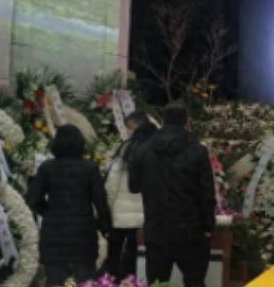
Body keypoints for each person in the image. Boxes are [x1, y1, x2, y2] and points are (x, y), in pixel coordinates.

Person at [129, 103, 216, 287]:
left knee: (158, 283)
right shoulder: (198, 151)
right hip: (191, 230)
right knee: (195, 282)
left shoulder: (141, 150)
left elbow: (134, 187)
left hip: (156, 229)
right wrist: (208, 225)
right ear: (187, 122)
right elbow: (207, 193)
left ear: (162, 122)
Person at [27, 124, 111, 287]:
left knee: (55, 280)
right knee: (85, 279)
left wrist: (48, 212)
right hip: (83, 231)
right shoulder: (89, 168)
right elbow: (100, 201)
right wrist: (103, 225)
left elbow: (33, 199)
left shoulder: (46, 168)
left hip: (54, 232)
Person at [105, 111, 158, 281]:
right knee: (135, 259)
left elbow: (112, 185)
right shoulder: (157, 151)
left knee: (114, 257)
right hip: (145, 218)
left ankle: (111, 282)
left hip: (120, 217)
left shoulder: (125, 150)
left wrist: (107, 209)